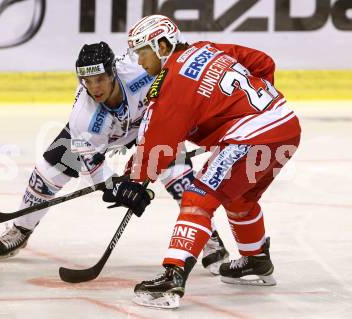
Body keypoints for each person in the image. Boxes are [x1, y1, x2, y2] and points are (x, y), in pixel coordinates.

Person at [102, 15, 301, 308]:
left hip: (253, 135)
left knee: (199, 196)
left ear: (161, 45)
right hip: (286, 127)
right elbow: (263, 62)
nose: (139, 61)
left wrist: (134, 180)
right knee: (239, 197)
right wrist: (248, 110)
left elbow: (158, 142)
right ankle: (255, 259)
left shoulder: (172, 82)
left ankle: (173, 275)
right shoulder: (207, 48)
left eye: (142, 52)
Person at [0, 41, 230, 268]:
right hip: (102, 136)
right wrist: (117, 188)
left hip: (151, 125)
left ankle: (209, 237)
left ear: (113, 72)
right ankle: (21, 229)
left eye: (100, 79)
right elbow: (93, 168)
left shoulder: (139, 71)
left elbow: (180, 72)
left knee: (180, 178)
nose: (94, 88)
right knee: (48, 173)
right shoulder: (83, 117)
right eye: (87, 81)